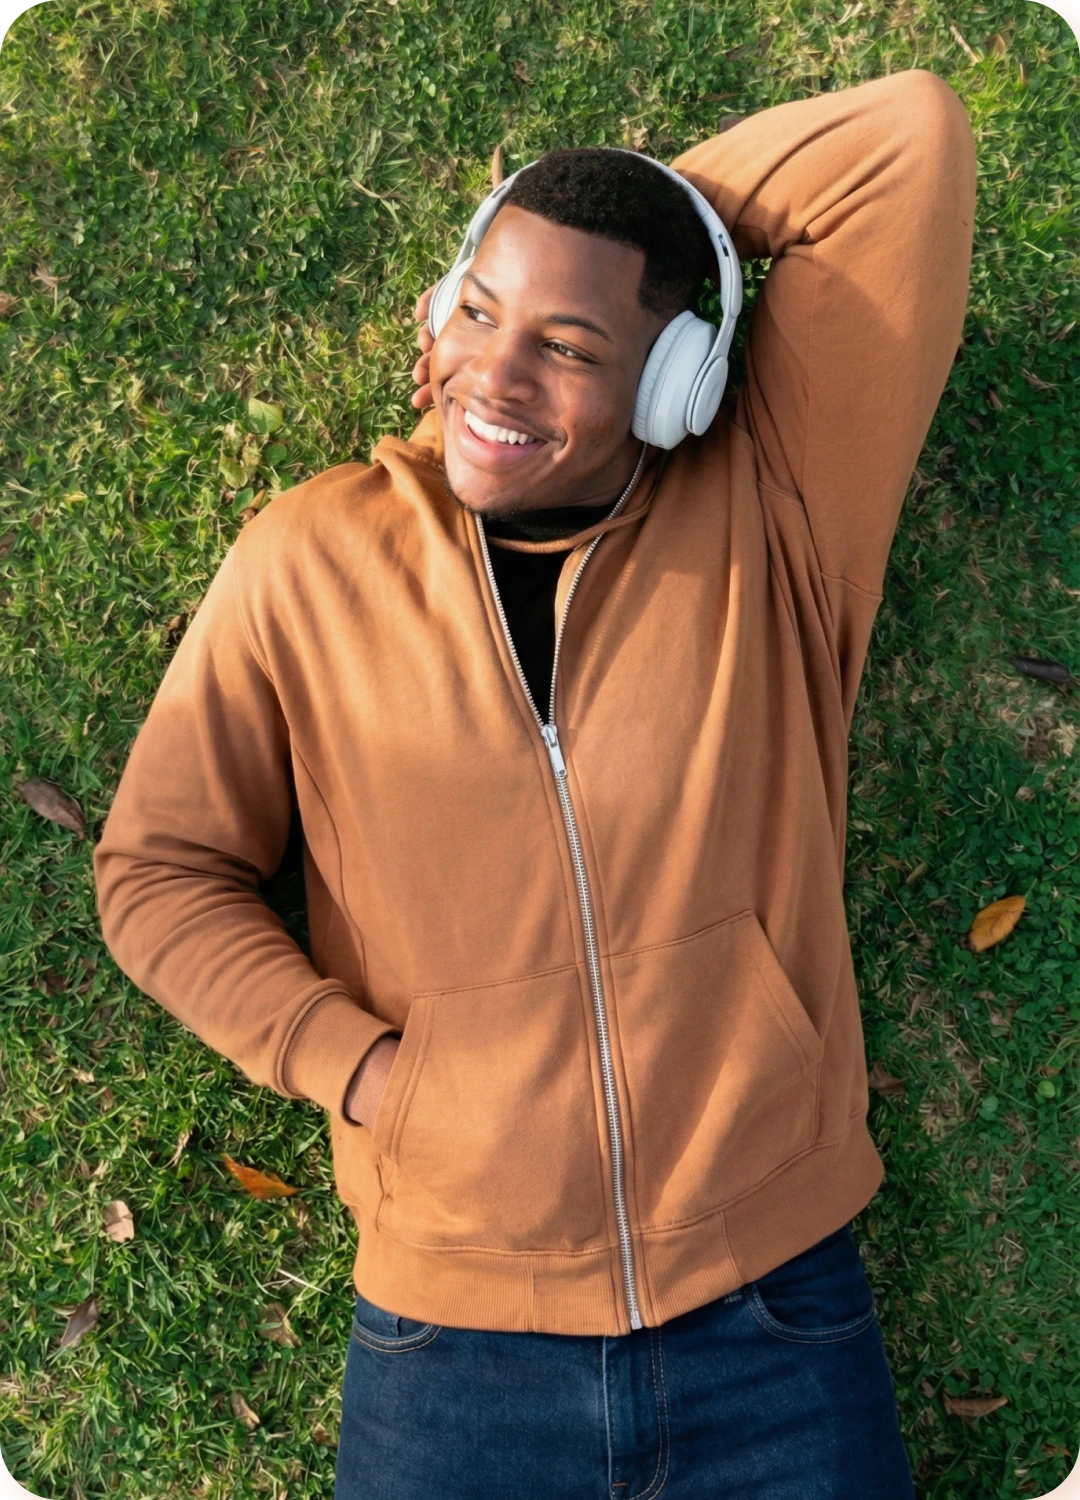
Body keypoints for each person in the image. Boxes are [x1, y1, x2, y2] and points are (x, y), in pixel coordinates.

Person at [94, 67, 975, 1498]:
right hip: (447, 1353)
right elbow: (157, 872)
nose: (496, 379)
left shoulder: (778, 511)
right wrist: (362, 1071)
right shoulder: (304, 561)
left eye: (570, 344)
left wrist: (625, 227)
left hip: (775, 1313)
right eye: (479, 310)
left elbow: (905, 142)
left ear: (679, 381)